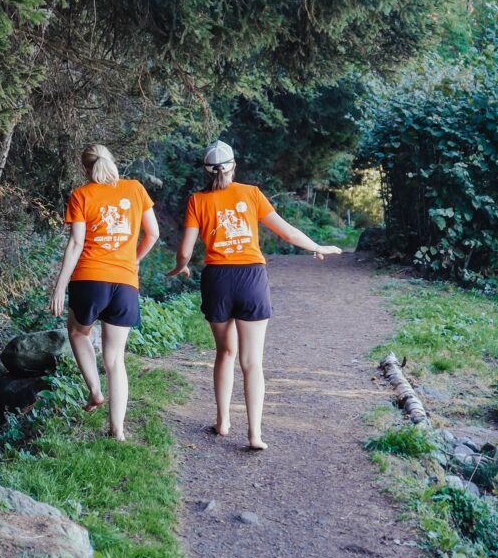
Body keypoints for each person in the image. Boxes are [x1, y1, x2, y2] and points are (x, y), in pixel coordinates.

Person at [166, 140, 341, 450]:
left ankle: (222, 422)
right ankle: (255, 435)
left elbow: (185, 250)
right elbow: (286, 232)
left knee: (225, 353)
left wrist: (181, 267)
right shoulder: (251, 193)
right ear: (234, 165)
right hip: (251, 277)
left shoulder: (197, 200)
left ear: (206, 172)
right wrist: (316, 247)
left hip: (217, 278)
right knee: (252, 362)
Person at [49, 144, 160, 441]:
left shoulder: (81, 195)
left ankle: (95, 391)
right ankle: (118, 431)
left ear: (86, 169)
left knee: (78, 332)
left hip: (89, 279)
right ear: (112, 161)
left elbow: (75, 245)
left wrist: (60, 287)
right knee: (115, 359)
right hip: (124, 283)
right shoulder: (135, 189)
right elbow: (154, 233)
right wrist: (134, 259)